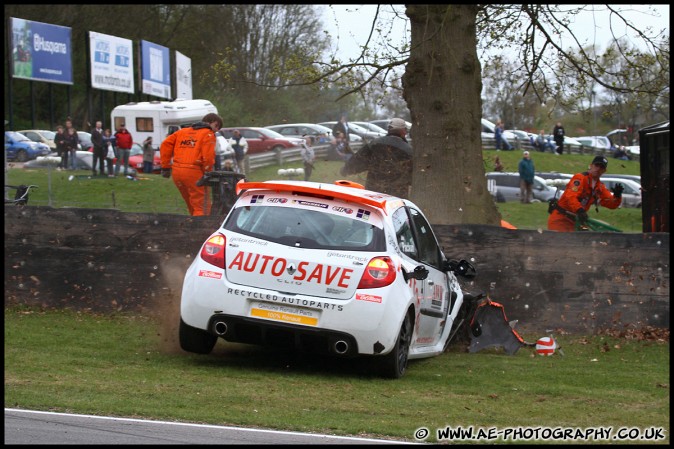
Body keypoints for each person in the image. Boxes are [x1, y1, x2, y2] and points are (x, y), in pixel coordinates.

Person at [160, 112, 223, 216]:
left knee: (191, 203)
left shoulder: (182, 132)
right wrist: (208, 173)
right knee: (202, 207)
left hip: (177, 172)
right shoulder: (208, 134)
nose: (216, 131)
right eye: (217, 127)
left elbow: (165, 144)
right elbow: (208, 157)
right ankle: (201, 230)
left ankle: (191, 226)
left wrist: (165, 167)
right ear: (213, 123)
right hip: (194, 172)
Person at [340, 117, 413, 198]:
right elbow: (413, 175)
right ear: (403, 131)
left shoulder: (374, 144)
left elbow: (359, 160)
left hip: (374, 191)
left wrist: (345, 170)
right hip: (397, 195)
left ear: (389, 130)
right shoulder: (409, 151)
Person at [547, 155, 623, 232]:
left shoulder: (600, 187)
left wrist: (617, 196)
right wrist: (579, 210)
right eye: (596, 165)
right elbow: (570, 196)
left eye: (601, 167)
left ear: (604, 171)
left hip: (577, 221)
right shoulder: (580, 178)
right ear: (591, 166)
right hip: (561, 219)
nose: (598, 168)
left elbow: (610, 203)